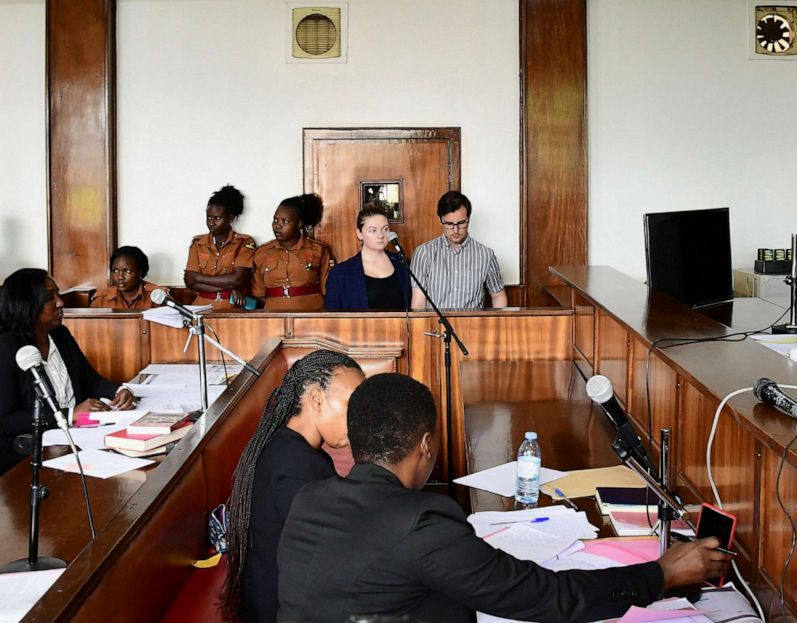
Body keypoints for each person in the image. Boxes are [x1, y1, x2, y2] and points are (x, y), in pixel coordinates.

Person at [278, 373, 729, 623]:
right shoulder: (422, 527)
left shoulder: (309, 500)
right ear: (426, 445)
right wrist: (662, 573)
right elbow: (551, 598)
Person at [221, 350, 365, 623]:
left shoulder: (287, 447)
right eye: (352, 405)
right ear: (316, 400)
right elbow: (333, 556)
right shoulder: (297, 466)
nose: (359, 419)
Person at [0, 269, 136, 475]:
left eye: (58, 294)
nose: (60, 302)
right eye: (49, 297)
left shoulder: (60, 334)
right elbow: (6, 421)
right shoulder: (6, 348)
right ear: (26, 304)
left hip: (80, 438)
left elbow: (90, 380)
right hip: (31, 457)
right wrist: (70, 415)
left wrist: (119, 391)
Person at [409, 191, 507, 310]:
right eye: (449, 224)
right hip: (436, 326)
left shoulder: (485, 254)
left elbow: (498, 295)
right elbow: (418, 302)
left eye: (461, 223)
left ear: (468, 219)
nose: (456, 230)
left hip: (473, 326)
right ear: (440, 220)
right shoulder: (423, 253)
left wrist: (496, 326)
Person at [251, 193, 333, 311]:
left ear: (299, 224)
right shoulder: (262, 252)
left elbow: (329, 290)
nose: (277, 226)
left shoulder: (318, 250)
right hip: (274, 317)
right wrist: (279, 303)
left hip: (312, 315)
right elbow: (257, 293)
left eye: (285, 221)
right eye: (275, 220)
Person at [323, 207, 411, 310]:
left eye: (385, 229)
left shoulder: (402, 263)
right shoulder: (340, 274)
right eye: (373, 230)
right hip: (359, 326)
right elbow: (333, 318)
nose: (381, 235)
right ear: (359, 234)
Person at [184, 185, 257, 310]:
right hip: (200, 306)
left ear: (231, 218)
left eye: (217, 218)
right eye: (209, 217)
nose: (212, 222)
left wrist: (198, 277)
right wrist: (230, 286)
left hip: (231, 306)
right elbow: (190, 282)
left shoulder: (244, 243)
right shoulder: (198, 243)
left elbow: (237, 280)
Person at [90, 246, 162, 310]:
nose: (120, 277)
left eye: (127, 271)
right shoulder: (101, 300)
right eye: (116, 270)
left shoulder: (158, 296)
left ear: (140, 272)